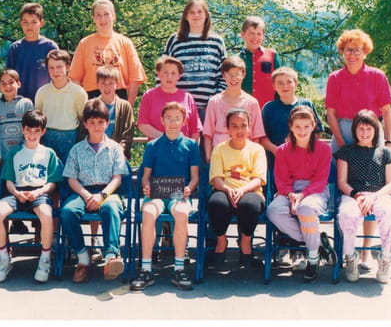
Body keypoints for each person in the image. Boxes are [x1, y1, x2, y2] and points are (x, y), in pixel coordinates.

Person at [325, 28, 391, 271]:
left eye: (357, 50)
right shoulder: (335, 78)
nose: (352, 54)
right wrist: (343, 143)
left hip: (371, 130)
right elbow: (331, 113)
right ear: (342, 52)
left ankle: (365, 253)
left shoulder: (377, 75)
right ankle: (345, 251)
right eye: (347, 50)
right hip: (343, 130)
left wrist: (387, 141)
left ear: (365, 52)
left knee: (372, 187)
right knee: (344, 190)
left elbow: (386, 111)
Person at [130, 102, 200, 292]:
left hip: (179, 194)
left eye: (177, 118)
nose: (173, 122)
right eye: (169, 118)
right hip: (157, 194)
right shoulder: (152, 145)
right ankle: (146, 268)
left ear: (184, 121)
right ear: (162, 120)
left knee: (181, 213)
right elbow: (146, 176)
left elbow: (194, 177)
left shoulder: (191, 145)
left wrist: (189, 188)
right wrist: (146, 187)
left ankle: (179, 268)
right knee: (148, 213)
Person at [60, 99, 129, 283]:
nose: (96, 126)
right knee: (67, 211)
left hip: (108, 191)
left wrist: (102, 195)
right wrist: (86, 195)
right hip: (83, 191)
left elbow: (117, 178)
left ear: (106, 123)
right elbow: (71, 178)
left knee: (111, 209)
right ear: (85, 124)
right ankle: (83, 258)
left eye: (100, 122)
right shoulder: (76, 149)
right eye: (92, 122)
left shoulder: (115, 148)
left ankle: (111, 257)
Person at [0, 110, 63, 284]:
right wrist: (17, 193)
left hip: (39, 193)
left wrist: (38, 192)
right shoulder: (14, 153)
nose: (32, 134)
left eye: (36, 131)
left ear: (43, 132)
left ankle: (45, 259)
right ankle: (4, 259)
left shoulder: (48, 153)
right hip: (17, 192)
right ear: (22, 130)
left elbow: (53, 183)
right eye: (28, 130)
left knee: (46, 215)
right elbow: (8, 181)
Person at [265, 106, 332, 282]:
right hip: (288, 190)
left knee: (306, 208)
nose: (302, 131)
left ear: (313, 125)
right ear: (291, 127)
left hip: (315, 190)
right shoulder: (282, 150)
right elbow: (281, 179)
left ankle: (313, 258)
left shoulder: (324, 149)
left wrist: (302, 196)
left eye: (306, 126)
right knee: (273, 211)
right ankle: (317, 240)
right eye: (297, 127)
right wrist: (290, 195)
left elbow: (320, 180)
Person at [335, 110, 391, 284]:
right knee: (347, 214)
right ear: (354, 130)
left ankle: (385, 258)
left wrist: (373, 197)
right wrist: (357, 195)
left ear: (376, 130)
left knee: (387, 212)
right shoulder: (346, 152)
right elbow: (342, 182)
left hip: (380, 195)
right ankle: (351, 257)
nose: (364, 133)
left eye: (369, 129)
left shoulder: (385, 153)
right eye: (361, 129)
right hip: (353, 195)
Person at [207, 108, 266, 272]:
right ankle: (221, 241)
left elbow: (258, 179)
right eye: (234, 126)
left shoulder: (257, 149)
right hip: (224, 189)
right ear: (227, 128)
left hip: (250, 191)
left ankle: (245, 243)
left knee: (249, 205)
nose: (239, 131)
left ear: (249, 127)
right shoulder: (219, 149)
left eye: (243, 126)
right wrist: (227, 189)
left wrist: (242, 190)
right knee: (216, 203)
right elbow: (216, 178)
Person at [69, 0, 146, 105]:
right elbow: (75, 78)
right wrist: (83, 105)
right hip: (92, 99)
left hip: (119, 98)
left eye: (106, 14)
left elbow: (135, 78)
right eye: (98, 15)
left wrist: (128, 106)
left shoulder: (125, 43)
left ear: (113, 16)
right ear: (94, 18)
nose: (102, 19)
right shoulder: (85, 43)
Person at [162, 0, 227, 121]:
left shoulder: (217, 42)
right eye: (191, 12)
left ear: (206, 15)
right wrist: (165, 99)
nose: (196, 15)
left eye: (199, 12)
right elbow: (162, 72)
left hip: (208, 108)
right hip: (178, 107)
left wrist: (215, 101)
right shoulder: (175, 40)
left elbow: (224, 75)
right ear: (186, 16)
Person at [202, 56, 265, 163]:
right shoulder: (214, 102)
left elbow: (256, 135)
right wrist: (209, 157)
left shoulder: (252, 102)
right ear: (224, 75)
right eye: (229, 74)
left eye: (237, 74)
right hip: (220, 155)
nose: (233, 78)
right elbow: (208, 134)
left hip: (244, 155)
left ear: (243, 74)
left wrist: (253, 158)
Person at [260, 66, 323, 166]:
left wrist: (304, 147)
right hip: (277, 160)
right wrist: (277, 151)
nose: (285, 86)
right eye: (280, 83)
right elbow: (262, 137)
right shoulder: (269, 108)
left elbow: (317, 131)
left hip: (304, 158)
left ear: (296, 84)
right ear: (274, 86)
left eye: (289, 82)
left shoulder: (307, 104)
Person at [34, 49, 88, 162]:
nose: (55, 71)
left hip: (70, 138)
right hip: (47, 137)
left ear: (67, 67)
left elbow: (83, 119)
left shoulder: (78, 92)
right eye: (51, 68)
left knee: (67, 170)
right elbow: (38, 118)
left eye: (59, 67)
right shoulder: (42, 92)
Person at [137, 55, 202, 142]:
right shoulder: (149, 96)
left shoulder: (187, 97)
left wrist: (189, 147)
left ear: (179, 76)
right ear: (158, 74)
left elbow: (195, 130)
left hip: (183, 148)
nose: (169, 77)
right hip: (157, 147)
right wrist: (167, 139)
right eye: (165, 72)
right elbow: (143, 125)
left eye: (173, 73)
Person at [76, 65, 135, 159]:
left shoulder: (125, 106)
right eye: (103, 83)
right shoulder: (90, 105)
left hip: (117, 154)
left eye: (111, 83)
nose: (107, 87)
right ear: (97, 84)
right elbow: (83, 132)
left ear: (117, 84)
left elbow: (127, 134)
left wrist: (119, 151)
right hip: (93, 153)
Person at [6, 2, 59, 103]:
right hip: (20, 102)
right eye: (25, 22)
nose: (29, 26)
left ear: (41, 23)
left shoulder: (50, 47)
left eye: (34, 22)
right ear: (21, 23)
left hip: (45, 101)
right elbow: (8, 78)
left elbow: (58, 76)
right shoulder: (15, 48)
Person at [0, 69, 35, 170]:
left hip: (23, 155)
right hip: (2, 158)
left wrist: (24, 150)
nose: (7, 86)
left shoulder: (26, 104)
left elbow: (31, 130)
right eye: (3, 84)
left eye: (11, 82)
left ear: (18, 84)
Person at [239, 16, 281, 108]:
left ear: (263, 36)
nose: (255, 37)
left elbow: (280, 82)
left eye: (259, 34)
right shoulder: (237, 59)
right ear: (243, 34)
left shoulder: (272, 55)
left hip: (269, 109)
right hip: (244, 109)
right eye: (251, 33)